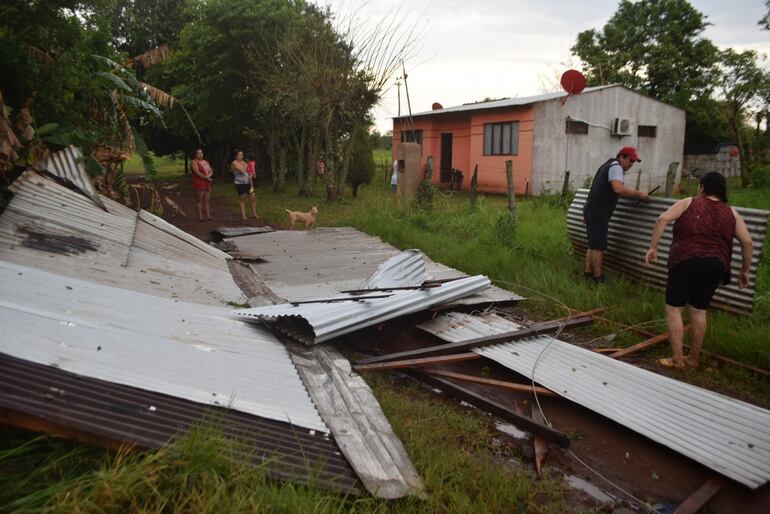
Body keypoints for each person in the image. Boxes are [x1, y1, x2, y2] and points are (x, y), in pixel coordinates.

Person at [645, 172, 753, 368]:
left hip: (685, 259)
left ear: (702, 187)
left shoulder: (688, 203)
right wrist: (745, 271)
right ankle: (693, 358)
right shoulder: (731, 213)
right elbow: (747, 241)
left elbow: (662, 219)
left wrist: (653, 247)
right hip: (715, 265)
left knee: (674, 309)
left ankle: (677, 360)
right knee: (698, 310)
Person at [583, 146, 650, 282]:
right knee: (598, 246)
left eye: (633, 162)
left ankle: (588, 274)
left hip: (591, 209)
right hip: (598, 212)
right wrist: (639, 194)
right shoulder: (616, 167)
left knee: (593, 244)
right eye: (630, 160)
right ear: (622, 157)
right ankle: (598, 278)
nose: (631, 164)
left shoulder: (607, 165)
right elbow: (617, 188)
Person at [231, 150, 258, 220]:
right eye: (240, 155)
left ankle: (254, 214)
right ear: (236, 156)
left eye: (242, 155)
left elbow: (249, 172)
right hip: (240, 184)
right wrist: (247, 165)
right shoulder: (234, 163)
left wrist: (252, 176)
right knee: (243, 198)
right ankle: (243, 215)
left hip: (249, 183)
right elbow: (242, 171)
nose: (241, 156)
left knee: (253, 197)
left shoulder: (244, 162)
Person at [190, 148, 213, 221]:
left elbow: (211, 170)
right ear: (195, 154)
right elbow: (197, 173)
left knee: (207, 199)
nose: (200, 155)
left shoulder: (205, 161)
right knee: (200, 199)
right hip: (199, 182)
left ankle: (208, 215)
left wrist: (208, 176)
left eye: (201, 153)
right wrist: (207, 178)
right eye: (198, 153)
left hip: (207, 182)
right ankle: (200, 216)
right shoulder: (194, 162)